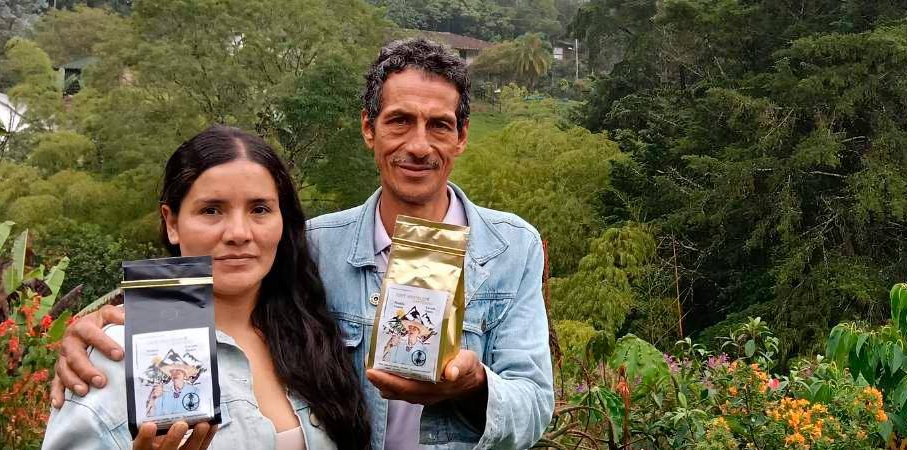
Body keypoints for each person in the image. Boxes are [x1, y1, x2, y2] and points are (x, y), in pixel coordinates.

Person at [51, 38, 555, 450]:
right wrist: (102, 330)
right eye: (399, 120)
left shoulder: (511, 247)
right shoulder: (315, 247)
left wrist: (472, 386)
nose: (419, 145)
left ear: (462, 136)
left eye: (439, 125)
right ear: (368, 129)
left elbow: (534, 406)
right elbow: (218, 293)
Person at [42, 125, 371, 450]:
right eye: (212, 210)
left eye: (260, 209)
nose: (239, 232)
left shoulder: (313, 328)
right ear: (172, 223)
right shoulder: (118, 354)